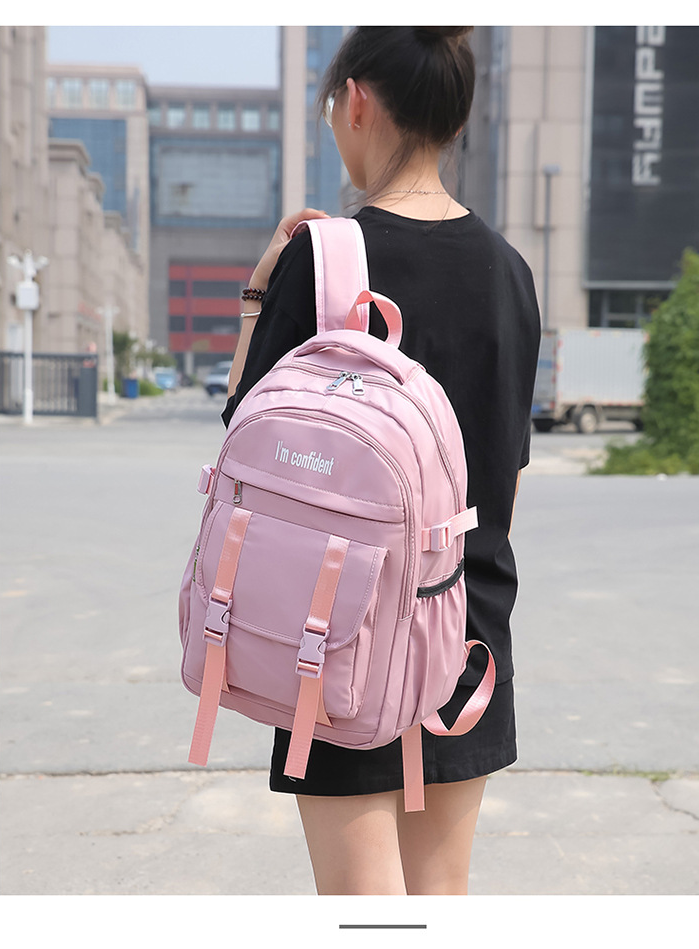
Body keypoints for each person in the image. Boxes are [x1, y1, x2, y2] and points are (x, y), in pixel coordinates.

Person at [221, 26, 541, 896]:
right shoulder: (510, 271)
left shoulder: (324, 260)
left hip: (340, 623)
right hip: (468, 628)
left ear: (357, 101)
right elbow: (505, 479)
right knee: (439, 898)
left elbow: (250, 442)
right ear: (456, 118)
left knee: (362, 905)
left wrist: (258, 297)